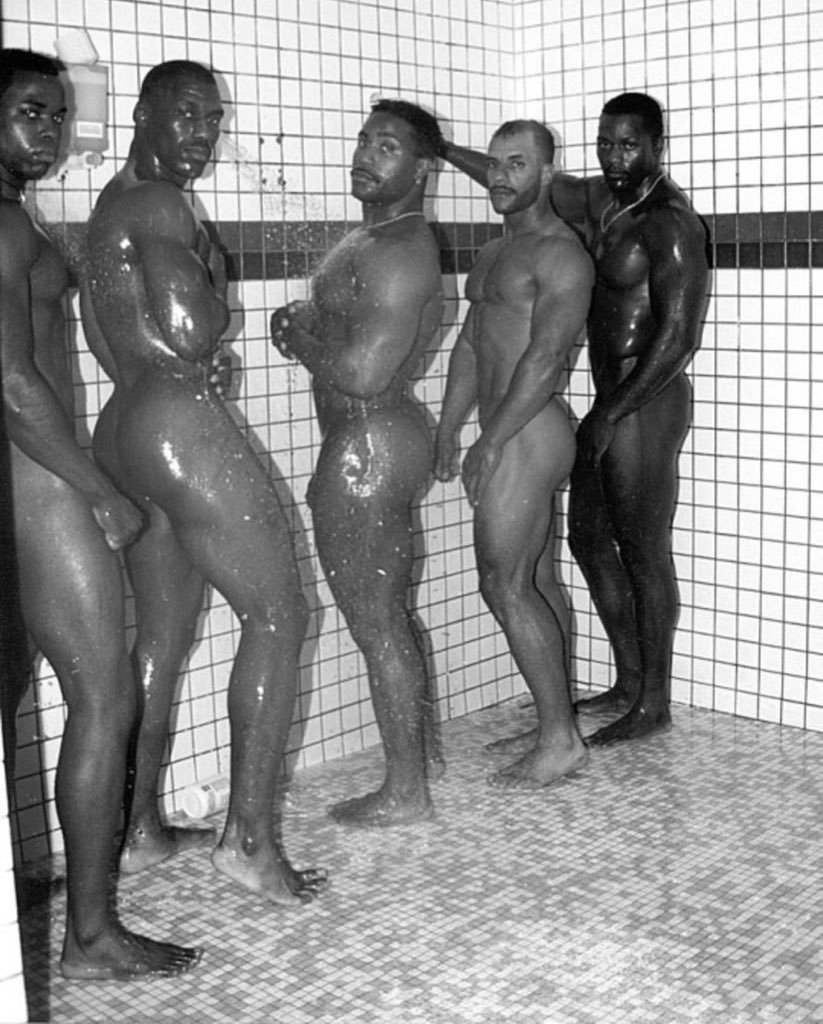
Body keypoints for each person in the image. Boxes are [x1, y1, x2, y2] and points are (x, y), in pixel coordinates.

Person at [81, 60, 325, 902]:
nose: (203, 132)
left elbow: (125, 328)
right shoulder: (161, 204)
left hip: (125, 426)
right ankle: (248, 842)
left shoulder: (113, 202)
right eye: (186, 114)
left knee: (160, 636)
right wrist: (215, 295)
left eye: (213, 119)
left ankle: (137, 830)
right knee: (280, 612)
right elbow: (190, 329)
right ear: (141, 114)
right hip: (178, 424)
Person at [0, 48, 199, 980]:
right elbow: (13, 381)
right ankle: (88, 937)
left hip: (34, 477)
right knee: (104, 695)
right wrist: (99, 490)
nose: (49, 130)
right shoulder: (3, 227)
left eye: (57, 114)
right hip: (37, 479)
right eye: (29, 111)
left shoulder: (19, 216)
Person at [442, 93, 709, 745]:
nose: (615, 157)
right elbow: (514, 177)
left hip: (647, 401)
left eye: (629, 145)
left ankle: (652, 703)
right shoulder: (599, 201)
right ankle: (626, 680)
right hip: (608, 401)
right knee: (589, 539)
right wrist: (443, 149)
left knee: (642, 549)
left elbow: (678, 337)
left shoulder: (670, 222)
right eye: (605, 143)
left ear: (656, 146)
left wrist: (611, 412)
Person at [271, 99, 444, 827]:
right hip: (368, 443)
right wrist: (305, 326)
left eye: (388, 147)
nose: (367, 154)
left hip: (370, 444)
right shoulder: (370, 239)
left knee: (377, 625)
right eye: (365, 140)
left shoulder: (402, 249)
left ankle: (406, 791)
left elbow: (366, 374)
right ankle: (415, 764)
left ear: (422, 167)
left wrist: (297, 340)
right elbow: (350, 333)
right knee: (385, 619)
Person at [433, 120, 592, 788]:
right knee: (537, 580)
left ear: (546, 173)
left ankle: (559, 741)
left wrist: (490, 440)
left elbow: (546, 356)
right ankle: (557, 720)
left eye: (517, 164)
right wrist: (449, 427)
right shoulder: (497, 251)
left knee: (503, 583)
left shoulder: (560, 255)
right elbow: (473, 343)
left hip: (527, 430)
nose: (500, 176)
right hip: (505, 427)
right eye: (495, 164)